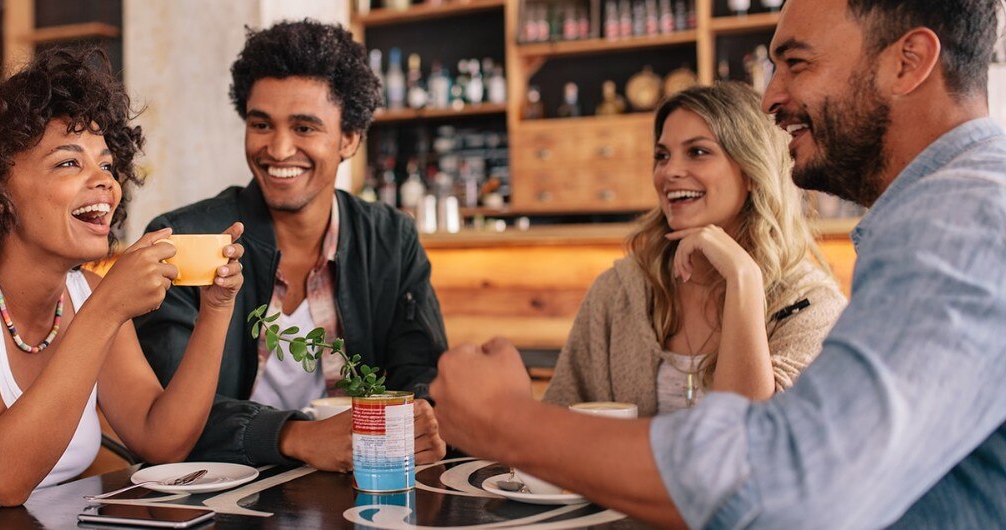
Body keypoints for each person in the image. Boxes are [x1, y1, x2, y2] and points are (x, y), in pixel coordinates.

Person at [430, 0, 1006, 527]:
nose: (771, 98)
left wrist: (507, 422)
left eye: (797, 63)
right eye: (662, 155)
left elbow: (784, 489)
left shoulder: (959, 221)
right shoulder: (946, 215)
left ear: (908, 63)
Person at [0, 49, 244, 529]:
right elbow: (2, 478)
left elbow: (161, 439)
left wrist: (217, 309)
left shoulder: (85, 290)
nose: (104, 181)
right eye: (68, 163)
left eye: (107, 165)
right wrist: (108, 309)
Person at [134, 20, 447, 472]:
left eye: (304, 128)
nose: (278, 149)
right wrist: (295, 436)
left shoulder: (391, 239)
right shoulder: (185, 240)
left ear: (350, 138)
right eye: (261, 124)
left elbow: (422, 375)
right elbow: (165, 414)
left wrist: (419, 425)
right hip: (218, 493)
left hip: (362, 487)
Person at [544, 82, 845, 415]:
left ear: (751, 171)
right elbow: (555, 422)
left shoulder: (812, 308)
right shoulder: (618, 293)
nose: (669, 172)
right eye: (662, 156)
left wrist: (742, 277)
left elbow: (749, 437)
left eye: (698, 152)